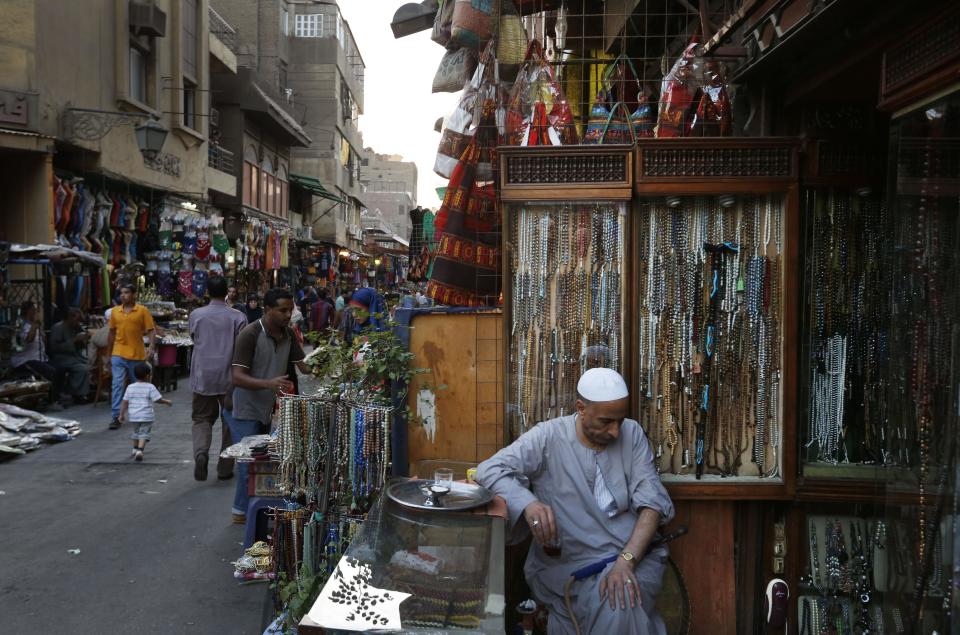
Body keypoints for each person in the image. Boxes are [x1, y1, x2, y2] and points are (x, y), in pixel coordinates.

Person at [476, 368, 674, 635]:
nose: (615, 431)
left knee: (621, 600)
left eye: (620, 420)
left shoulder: (632, 434)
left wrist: (626, 561)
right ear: (581, 408)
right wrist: (528, 503)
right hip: (568, 563)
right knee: (613, 606)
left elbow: (652, 504)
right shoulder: (548, 436)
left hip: (632, 556)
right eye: (606, 422)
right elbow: (489, 469)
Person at [224, 287, 308, 523]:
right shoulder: (250, 334)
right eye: (282, 310)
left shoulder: (289, 334)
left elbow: (304, 365)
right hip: (241, 408)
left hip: (264, 408)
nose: (287, 315)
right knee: (249, 464)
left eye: (290, 310)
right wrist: (269, 383)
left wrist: (328, 362)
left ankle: (248, 511)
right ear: (268, 310)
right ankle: (244, 514)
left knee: (258, 462)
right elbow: (237, 376)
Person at [188, 276, 248, 482]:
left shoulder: (197, 315)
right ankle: (224, 467)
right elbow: (243, 348)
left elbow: (193, 338)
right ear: (227, 293)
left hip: (202, 375)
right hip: (230, 377)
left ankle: (201, 452)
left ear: (207, 292)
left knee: (201, 418)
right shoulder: (238, 317)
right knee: (230, 421)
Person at [107, 284, 156, 429]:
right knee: (117, 384)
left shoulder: (142, 311)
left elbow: (151, 331)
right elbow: (111, 333)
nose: (123, 295)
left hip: (137, 354)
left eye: (127, 292)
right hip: (118, 352)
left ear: (134, 295)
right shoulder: (115, 312)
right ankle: (116, 416)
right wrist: (109, 355)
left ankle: (140, 413)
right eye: (121, 293)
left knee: (139, 386)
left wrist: (151, 347)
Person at [11, 301, 67, 410]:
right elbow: (28, 340)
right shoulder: (21, 325)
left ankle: (57, 395)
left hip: (39, 358)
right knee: (50, 371)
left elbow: (43, 341)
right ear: (29, 311)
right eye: (35, 310)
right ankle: (51, 401)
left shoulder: (34, 325)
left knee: (61, 369)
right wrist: (35, 324)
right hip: (25, 360)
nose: (37, 312)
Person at [119, 362, 172, 461]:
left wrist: (121, 414)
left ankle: (134, 449)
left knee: (136, 432)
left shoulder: (130, 387)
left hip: (134, 416)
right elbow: (157, 399)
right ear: (148, 376)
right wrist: (166, 402)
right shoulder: (150, 387)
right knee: (144, 432)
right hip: (146, 416)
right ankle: (140, 450)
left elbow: (125, 402)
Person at [48, 308, 91, 404]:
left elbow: (80, 346)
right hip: (62, 358)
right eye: (76, 319)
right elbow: (55, 347)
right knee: (82, 368)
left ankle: (86, 392)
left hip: (74, 356)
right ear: (70, 318)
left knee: (90, 364)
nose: (78, 322)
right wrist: (74, 340)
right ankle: (77, 393)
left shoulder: (75, 327)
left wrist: (83, 340)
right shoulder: (58, 328)